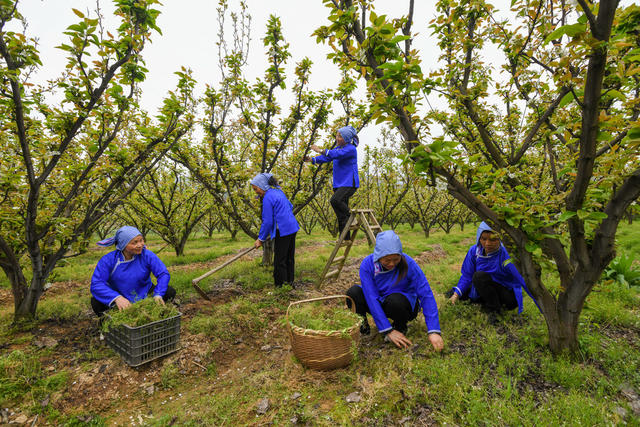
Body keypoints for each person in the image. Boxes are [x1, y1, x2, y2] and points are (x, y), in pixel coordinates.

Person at [345, 230, 444, 351]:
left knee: (395, 301)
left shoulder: (409, 263)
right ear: (378, 256)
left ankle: (400, 327)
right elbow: (371, 297)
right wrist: (387, 330)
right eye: (387, 260)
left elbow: (426, 294)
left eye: (396, 259)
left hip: (402, 304)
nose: (391, 263)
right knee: (353, 292)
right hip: (381, 300)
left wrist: (433, 331)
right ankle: (363, 330)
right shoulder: (368, 264)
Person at [445, 222, 538, 318]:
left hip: (506, 295)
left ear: (500, 238)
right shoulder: (474, 251)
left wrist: (541, 304)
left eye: (493, 239)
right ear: (478, 238)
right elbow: (467, 276)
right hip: (486, 288)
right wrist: (456, 295)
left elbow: (523, 280)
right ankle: (485, 302)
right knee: (457, 292)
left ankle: (494, 311)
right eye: (483, 239)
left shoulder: (506, 255)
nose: (487, 243)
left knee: (479, 277)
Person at [90, 226, 175, 317]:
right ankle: (111, 320)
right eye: (134, 242)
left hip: (144, 292)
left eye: (141, 240)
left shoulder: (147, 255)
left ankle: (150, 308)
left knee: (169, 291)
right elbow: (97, 284)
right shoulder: (109, 260)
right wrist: (117, 298)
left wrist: (158, 294)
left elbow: (163, 274)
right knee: (96, 302)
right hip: (120, 294)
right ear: (123, 244)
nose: (140, 245)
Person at [306, 125, 360, 240]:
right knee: (340, 212)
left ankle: (352, 218)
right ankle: (345, 237)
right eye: (337, 135)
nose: (337, 138)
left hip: (349, 183)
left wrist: (320, 150)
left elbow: (335, 155)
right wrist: (312, 160)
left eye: (340, 136)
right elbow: (327, 158)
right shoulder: (337, 149)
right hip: (339, 183)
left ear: (346, 138)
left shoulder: (350, 149)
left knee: (335, 200)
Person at [251, 173, 300, 287]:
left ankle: (280, 286)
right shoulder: (278, 192)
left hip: (282, 230)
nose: (255, 192)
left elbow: (267, 221)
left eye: (256, 189)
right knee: (289, 257)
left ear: (262, 185)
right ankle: (289, 282)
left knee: (279, 260)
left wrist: (260, 239)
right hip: (292, 227)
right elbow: (290, 206)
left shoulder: (268, 197)